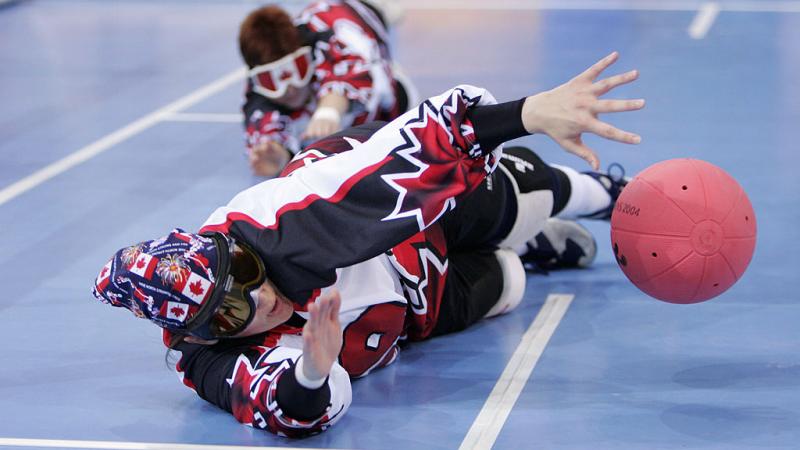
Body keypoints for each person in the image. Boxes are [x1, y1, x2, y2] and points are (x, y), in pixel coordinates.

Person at [92, 52, 644, 437]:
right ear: (205, 335)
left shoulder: (279, 226)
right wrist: (310, 370)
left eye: (241, 268)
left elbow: (407, 160)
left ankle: (608, 196)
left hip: (404, 222)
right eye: (233, 311)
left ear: (228, 244)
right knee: (509, 282)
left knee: (527, 194)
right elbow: (281, 408)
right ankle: (529, 249)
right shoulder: (205, 360)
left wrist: (527, 114)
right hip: (409, 314)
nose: (259, 297)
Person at [239, 0, 416, 177]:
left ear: (306, 56)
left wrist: (328, 112)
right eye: (271, 81)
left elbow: (352, 70)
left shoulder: (331, 38)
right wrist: (282, 157)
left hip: (356, 12)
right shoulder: (256, 97)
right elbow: (264, 136)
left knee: (388, 94)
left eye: (298, 70)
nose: (290, 89)